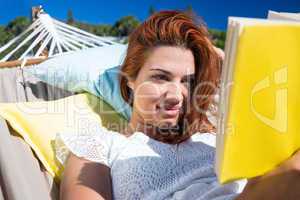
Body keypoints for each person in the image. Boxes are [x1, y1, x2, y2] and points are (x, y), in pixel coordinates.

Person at [57, 10, 300, 200]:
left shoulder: (218, 137)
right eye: (161, 77)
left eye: (188, 81)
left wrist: (230, 61)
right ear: (130, 78)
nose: (177, 95)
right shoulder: (99, 145)